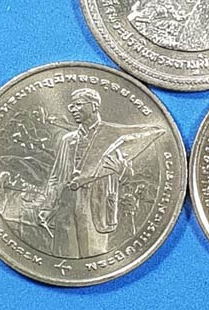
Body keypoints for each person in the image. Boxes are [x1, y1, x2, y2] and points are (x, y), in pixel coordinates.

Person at [38, 88, 162, 258]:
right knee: (64, 255)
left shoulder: (112, 136)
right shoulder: (68, 140)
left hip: (97, 207)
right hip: (65, 207)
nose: (73, 110)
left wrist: (121, 170)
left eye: (78, 105)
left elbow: (130, 176)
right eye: (71, 106)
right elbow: (56, 176)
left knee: (93, 258)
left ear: (94, 106)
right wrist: (47, 206)